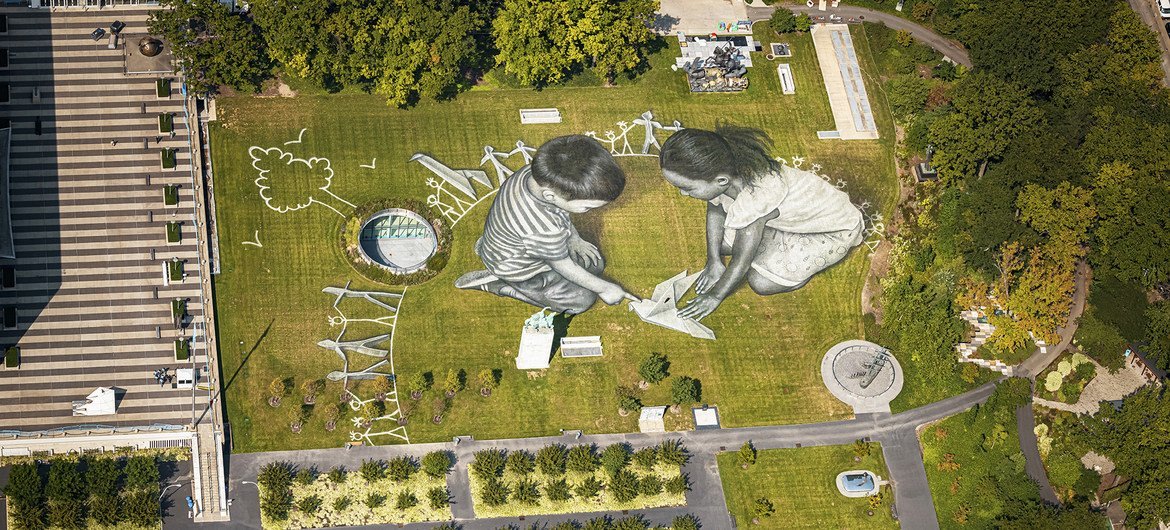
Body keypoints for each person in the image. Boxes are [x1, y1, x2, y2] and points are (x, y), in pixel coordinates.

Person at [658, 124, 864, 321]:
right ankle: (775, 240)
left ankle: (796, 275)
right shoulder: (726, 175)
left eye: (687, 188)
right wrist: (713, 260)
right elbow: (715, 207)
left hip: (832, 231)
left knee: (760, 283)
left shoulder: (755, 200)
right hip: (784, 221)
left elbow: (741, 259)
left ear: (721, 181)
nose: (683, 194)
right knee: (720, 243)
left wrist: (715, 296)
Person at [455, 135, 637, 314]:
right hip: (521, 270)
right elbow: (561, 264)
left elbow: (560, 212)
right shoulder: (543, 228)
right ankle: (501, 285)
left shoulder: (533, 176)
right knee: (581, 301)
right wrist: (605, 289)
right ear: (550, 196)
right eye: (588, 207)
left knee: (595, 264)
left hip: (509, 244)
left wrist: (575, 238)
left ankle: (490, 252)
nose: (590, 211)